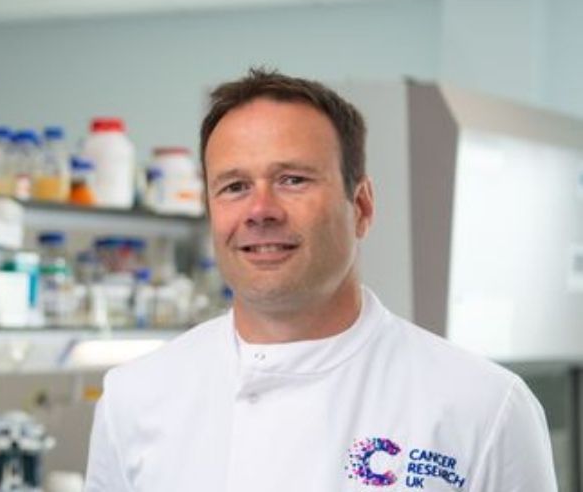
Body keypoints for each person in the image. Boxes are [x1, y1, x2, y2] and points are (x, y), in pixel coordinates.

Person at [84, 69, 557, 491]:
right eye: (234, 186)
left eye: (292, 179)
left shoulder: (482, 406)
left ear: (363, 207)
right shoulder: (135, 397)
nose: (260, 210)